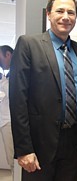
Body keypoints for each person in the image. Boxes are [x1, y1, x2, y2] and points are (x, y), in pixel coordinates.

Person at [9, 0, 77, 181]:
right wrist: (24, 149)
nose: (66, 17)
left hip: (75, 143)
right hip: (40, 146)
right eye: (60, 11)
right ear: (48, 14)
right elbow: (18, 101)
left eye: (71, 13)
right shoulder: (29, 44)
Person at [0, 45, 14, 178]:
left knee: (13, 158)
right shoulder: (7, 75)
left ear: (8, 55)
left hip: (9, 121)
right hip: (5, 121)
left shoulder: (17, 74)